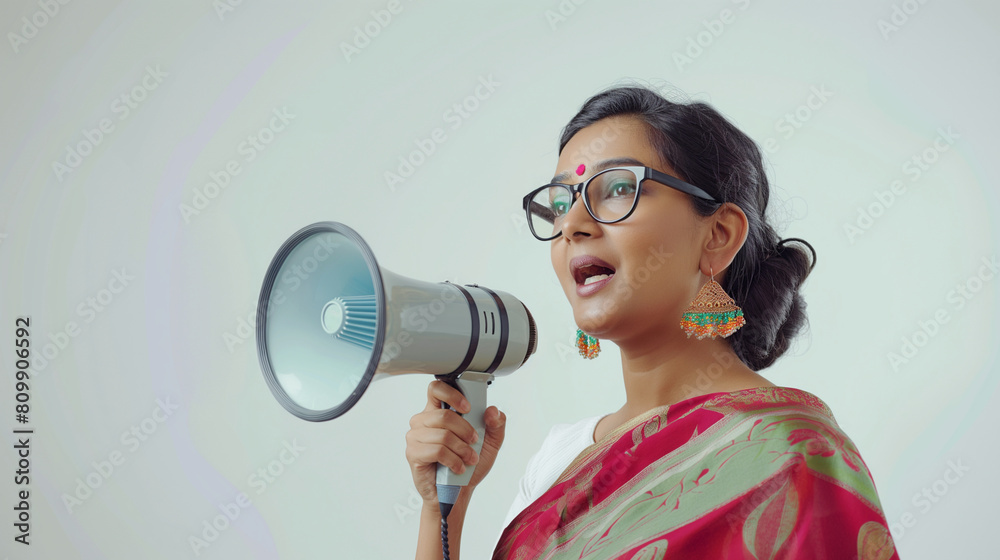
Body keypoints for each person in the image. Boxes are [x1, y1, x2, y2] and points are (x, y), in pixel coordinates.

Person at [404, 84, 899, 559]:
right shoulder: (558, 459)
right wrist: (442, 511)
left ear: (719, 236)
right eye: (559, 204)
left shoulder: (791, 454)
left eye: (618, 189)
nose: (572, 225)